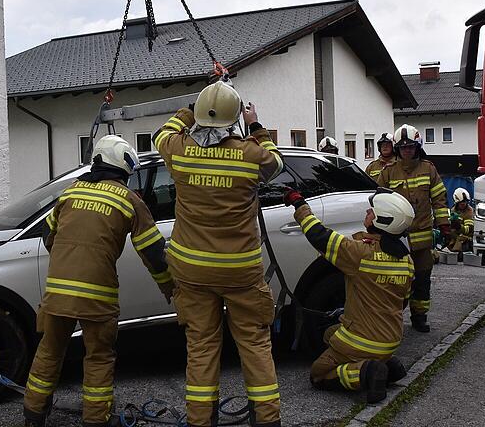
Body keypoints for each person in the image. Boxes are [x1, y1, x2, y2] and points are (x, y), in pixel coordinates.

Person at [154, 81, 284, 427]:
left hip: (192, 271)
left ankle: (201, 420)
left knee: (201, 347)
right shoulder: (251, 154)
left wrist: (188, 112)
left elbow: (161, 135)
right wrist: (256, 125)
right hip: (240, 271)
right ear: (234, 118)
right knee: (254, 345)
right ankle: (267, 420)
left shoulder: (180, 150)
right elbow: (276, 164)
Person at [23, 135, 173, 427]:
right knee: (99, 358)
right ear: (123, 167)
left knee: (49, 351)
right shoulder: (129, 200)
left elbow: (48, 236)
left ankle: (33, 415)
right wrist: (170, 286)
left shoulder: (70, 192)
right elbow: (153, 252)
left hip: (57, 293)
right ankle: (96, 419)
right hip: (98, 297)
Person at [282, 187, 414, 403]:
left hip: (361, 341)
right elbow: (403, 300)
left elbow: (319, 236)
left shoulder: (360, 254)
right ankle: (388, 364)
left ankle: (365, 372)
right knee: (330, 334)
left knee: (319, 373)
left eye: (372, 211)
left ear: (382, 220)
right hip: (391, 339)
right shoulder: (406, 261)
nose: (367, 212)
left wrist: (299, 204)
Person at [376, 124, 450, 333]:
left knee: (422, 280)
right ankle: (393, 319)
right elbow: (379, 202)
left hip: (423, 240)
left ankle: (419, 316)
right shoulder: (388, 172)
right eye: (403, 147)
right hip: (398, 240)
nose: (407, 151)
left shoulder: (429, 169)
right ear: (397, 149)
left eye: (410, 147)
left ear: (418, 147)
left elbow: (439, 199)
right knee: (396, 282)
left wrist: (444, 225)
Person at [447, 188, 475, 259]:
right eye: (461, 202)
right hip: (454, 236)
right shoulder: (453, 210)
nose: (463, 204)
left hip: (465, 239)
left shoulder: (469, 211)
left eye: (465, 202)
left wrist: (459, 227)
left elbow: (469, 229)